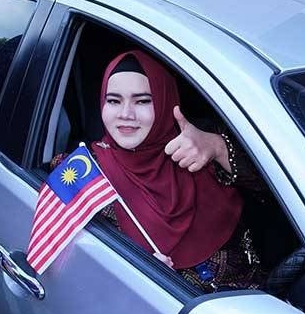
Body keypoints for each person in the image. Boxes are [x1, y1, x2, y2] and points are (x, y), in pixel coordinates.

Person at [60, 49, 264, 291]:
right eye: (113, 100)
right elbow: (66, 274)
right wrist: (134, 273)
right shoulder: (82, 172)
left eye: (143, 101)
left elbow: (283, 197)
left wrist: (219, 148)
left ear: (166, 100)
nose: (126, 114)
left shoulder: (197, 147)